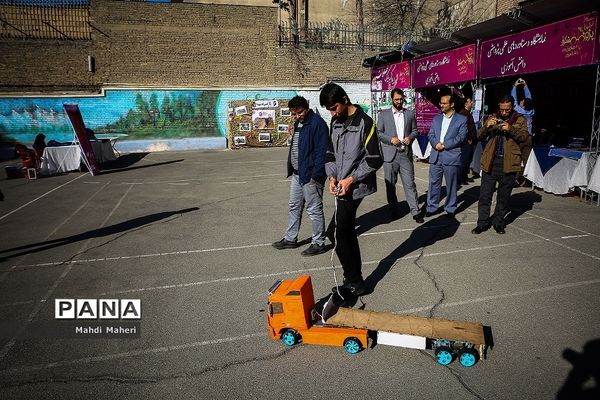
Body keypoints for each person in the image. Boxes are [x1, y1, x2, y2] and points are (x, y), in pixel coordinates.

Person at [320, 83, 383, 296]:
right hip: (340, 185)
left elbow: (375, 159)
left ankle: (355, 280)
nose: (333, 112)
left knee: (336, 232)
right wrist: (332, 176)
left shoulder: (366, 123)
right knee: (345, 233)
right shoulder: (335, 122)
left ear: (345, 99)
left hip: (356, 186)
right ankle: (355, 281)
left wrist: (350, 180)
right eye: (329, 109)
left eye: (334, 107)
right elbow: (330, 153)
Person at [272, 96, 330, 256]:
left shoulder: (318, 124)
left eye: (300, 112)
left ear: (307, 107)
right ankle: (290, 239)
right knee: (294, 206)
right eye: (294, 114)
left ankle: (318, 242)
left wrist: (316, 175)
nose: (297, 116)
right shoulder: (299, 123)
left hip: (311, 176)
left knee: (314, 209)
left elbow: (322, 152)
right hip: (298, 174)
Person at [472, 94, 528, 235]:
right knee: (485, 195)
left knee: (503, 196)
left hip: (509, 162)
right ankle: (482, 223)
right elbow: (477, 136)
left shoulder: (520, 119)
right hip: (491, 160)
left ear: (512, 107)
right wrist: (486, 126)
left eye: (507, 110)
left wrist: (510, 129)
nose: (503, 112)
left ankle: (498, 222)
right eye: (502, 109)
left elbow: (524, 138)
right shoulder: (492, 117)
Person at [377, 88, 423, 223]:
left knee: (410, 184)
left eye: (401, 99)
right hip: (390, 155)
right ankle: (393, 211)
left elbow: (415, 130)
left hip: (405, 154)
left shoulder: (409, 114)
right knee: (390, 185)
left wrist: (410, 138)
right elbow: (378, 133)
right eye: (396, 99)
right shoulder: (384, 115)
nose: (399, 101)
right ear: (392, 99)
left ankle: (416, 211)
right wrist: (390, 139)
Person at [424, 94, 467, 219]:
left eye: (444, 103)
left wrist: (445, 145)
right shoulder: (436, 119)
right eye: (441, 102)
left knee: (451, 184)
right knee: (433, 183)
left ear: (452, 104)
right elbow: (430, 134)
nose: (441, 105)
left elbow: (461, 137)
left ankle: (450, 208)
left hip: (451, 155)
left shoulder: (461, 119)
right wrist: (435, 143)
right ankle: (431, 207)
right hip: (436, 155)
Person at [512, 78, 535, 185]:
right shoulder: (531, 111)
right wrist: (525, 85)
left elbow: (513, 99)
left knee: (516, 158)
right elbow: (529, 98)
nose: (521, 100)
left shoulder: (519, 110)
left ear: (523, 104)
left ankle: (516, 179)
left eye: (523, 101)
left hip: (520, 137)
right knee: (526, 159)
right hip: (529, 138)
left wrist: (515, 86)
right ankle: (527, 180)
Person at [458, 96, 477, 185]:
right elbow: (463, 129)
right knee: (464, 160)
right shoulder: (463, 114)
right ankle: (459, 178)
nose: (472, 103)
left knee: (468, 160)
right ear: (466, 103)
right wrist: (467, 139)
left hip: (470, 141)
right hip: (466, 142)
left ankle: (464, 177)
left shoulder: (468, 113)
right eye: (470, 101)